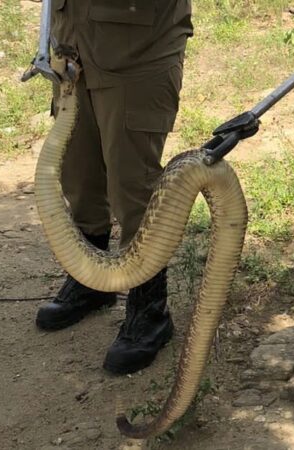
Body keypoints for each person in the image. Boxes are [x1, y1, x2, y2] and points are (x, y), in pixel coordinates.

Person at [34, 0, 193, 376]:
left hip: (136, 51)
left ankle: (149, 308)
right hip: (74, 47)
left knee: (132, 185)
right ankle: (93, 280)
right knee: (80, 174)